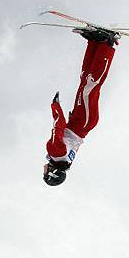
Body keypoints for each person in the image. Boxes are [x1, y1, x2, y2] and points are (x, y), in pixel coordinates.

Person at [43, 29, 118, 187]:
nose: (43, 170)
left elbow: (62, 130)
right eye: (45, 173)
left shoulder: (63, 160)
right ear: (52, 172)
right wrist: (55, 106)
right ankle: (107, 44)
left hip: (81, 122)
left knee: (85, 81)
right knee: (91, 84)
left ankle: (95, 43)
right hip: (82, 121)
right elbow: (58, 126)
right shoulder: (56, 154)